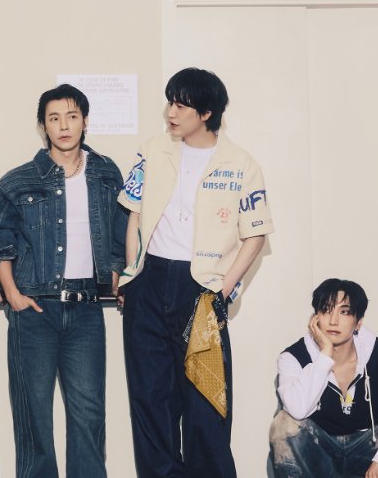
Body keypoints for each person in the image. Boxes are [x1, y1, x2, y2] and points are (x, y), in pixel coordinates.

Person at [118, 67, 273, 477]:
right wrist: (132, 274)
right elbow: (133, 216)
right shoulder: (152, 151)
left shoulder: (240, 164)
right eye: (169, 103)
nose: (170, 112)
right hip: (149, 283)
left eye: (180, 105)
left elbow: (255, 235)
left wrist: (224, 289)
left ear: (206, 113)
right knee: (151, 400)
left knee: (206, 402)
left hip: (201, 288)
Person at [0, 84, 127, 477]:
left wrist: (116, 275)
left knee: (89, 417)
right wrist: (13, 295)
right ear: (42, 125)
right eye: (54, 118)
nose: (64, 126)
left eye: (72, 116)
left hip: (86, 311)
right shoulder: (18, 181)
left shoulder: (106, 173)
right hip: (34, 309)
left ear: (85, 121)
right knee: (33, 418)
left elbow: (123, 232)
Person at [270, 279, 378, 478]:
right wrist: (324, 357)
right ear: (315, 318)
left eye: (344, 312)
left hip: (371, 448)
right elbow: (297, 409)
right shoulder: (293, 358)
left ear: (358, 322)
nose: (333, 321)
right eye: (326, 310)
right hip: (322, 452)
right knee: (284, 424)